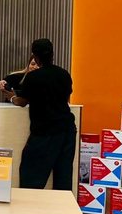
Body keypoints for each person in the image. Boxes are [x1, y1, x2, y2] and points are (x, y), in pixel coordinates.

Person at [4, 39, 76, 190]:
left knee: (31, 177)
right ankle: (62, 205)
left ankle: (30, 206)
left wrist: (11, 96)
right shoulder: (64, 74)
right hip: (67, 131)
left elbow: (22, 101)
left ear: (35, 57)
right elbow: (65, 96)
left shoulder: (33, 77)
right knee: (63, 179)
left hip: (44, 132)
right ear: (52, 54)